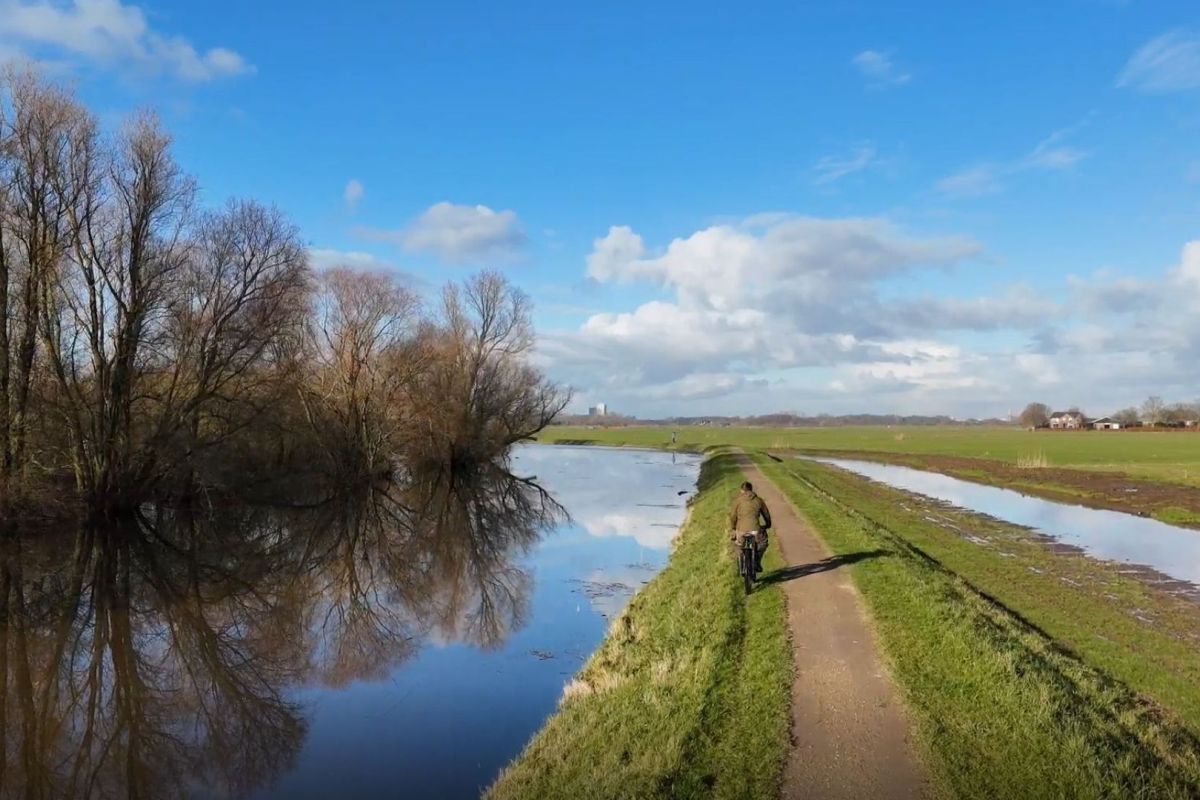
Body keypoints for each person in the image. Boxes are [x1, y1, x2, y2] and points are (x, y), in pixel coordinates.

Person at [728, 481, 771, 572]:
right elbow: (766, 514)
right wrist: (768, 524)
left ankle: (741, 562)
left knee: (738, 545)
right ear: (751, 490)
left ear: (741, 491)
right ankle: (756, 560)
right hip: (756, 530)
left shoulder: (737, 501)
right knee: (763, 542)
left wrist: (733, 527)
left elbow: (733, 516)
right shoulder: (759, 500)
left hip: (741, 530)